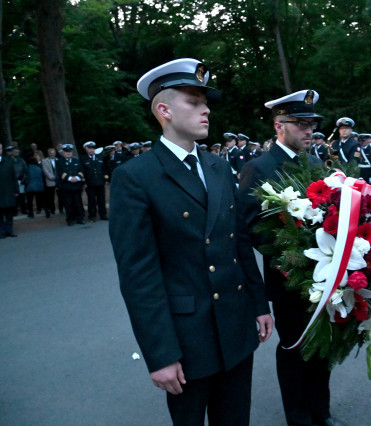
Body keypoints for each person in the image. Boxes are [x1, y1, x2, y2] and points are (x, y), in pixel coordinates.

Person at [109, 58, 272, 425]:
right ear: (164, 110)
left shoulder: (217, 166)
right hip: (186, 339)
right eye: (194, 101)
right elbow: (139, 275)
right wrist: (160, 353)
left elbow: (238, 243)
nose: (206, 109)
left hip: (234, 324)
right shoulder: (136, 177)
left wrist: (259, 304)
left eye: (206, 102)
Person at [239, 89, 341, 426]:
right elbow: (250, 225)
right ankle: (298, 417)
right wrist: (293, 244)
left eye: (312, 123)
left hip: (324, 275)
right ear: (279, 126)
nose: (309, 130)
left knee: (322, 345)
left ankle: (320, 412)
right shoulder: (259, 167)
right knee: (295, 347)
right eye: (300, 123)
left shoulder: (315, 163)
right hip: (288, 276)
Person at [55, 144, 85, 226]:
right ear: (63, 152)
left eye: (70, 151)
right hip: (66, 186)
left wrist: (78, 178)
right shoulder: (59, 162)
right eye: (66, 152)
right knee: (68, 204)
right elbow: (60, 172)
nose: (68, 153)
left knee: (78, 203)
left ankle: (80, 218)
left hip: (76, 185)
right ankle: (70, 219)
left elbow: (81, 170)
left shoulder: (76, 161)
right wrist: (69, 178)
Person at [80, 141, 108, 221]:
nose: (91, 150)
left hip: (100, 182)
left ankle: (103, 214)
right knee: (91, 200)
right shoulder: (83, 159)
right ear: (86, 149)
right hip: (90, 183)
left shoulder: (100, 157)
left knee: (101, 200)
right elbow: (82, 171)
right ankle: (92, 215)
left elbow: (104, 169)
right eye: (89, 149)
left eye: (92, 148)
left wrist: (106, 179)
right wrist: (84, 182)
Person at [42, 148, 59, 217]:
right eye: (51, 153)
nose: (53, 154)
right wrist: (51, 177)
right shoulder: (45, 161)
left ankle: (61, 208)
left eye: (54, 153)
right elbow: (45, 170)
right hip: (50, 180)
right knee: (50, 196)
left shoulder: (58, 160)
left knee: (60, 195)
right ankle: (52, 209)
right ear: (48, 153)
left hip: (58, 180)